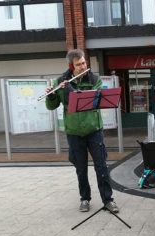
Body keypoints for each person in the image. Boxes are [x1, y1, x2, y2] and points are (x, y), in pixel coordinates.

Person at [45, 49, 119, 214]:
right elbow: (52, 106)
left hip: (94, 130)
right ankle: (85, 199)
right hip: (74, 132)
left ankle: (108, 200)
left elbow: (96, 98)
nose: (83, 66)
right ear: (71, 66)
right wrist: (51, 95)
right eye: (79, 64)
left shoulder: (94, 80)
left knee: (101, 166)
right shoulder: (61, 81)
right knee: (81, 168)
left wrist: (72, 90)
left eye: (84, 63)